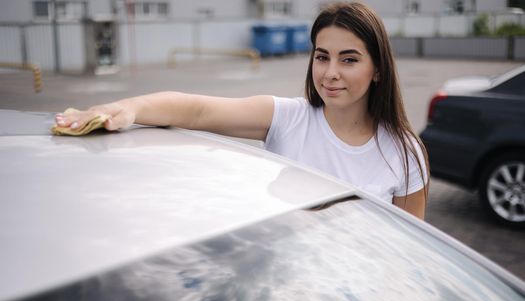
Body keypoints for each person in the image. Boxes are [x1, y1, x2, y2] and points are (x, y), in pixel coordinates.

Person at [54, 2, 429, 219]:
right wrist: (124, 107)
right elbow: (197, 110)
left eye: (349, 60)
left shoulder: (404, 152)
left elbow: (412, 252)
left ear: (378, 68)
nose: (331, 73)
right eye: (321, 57)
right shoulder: (289, 118)